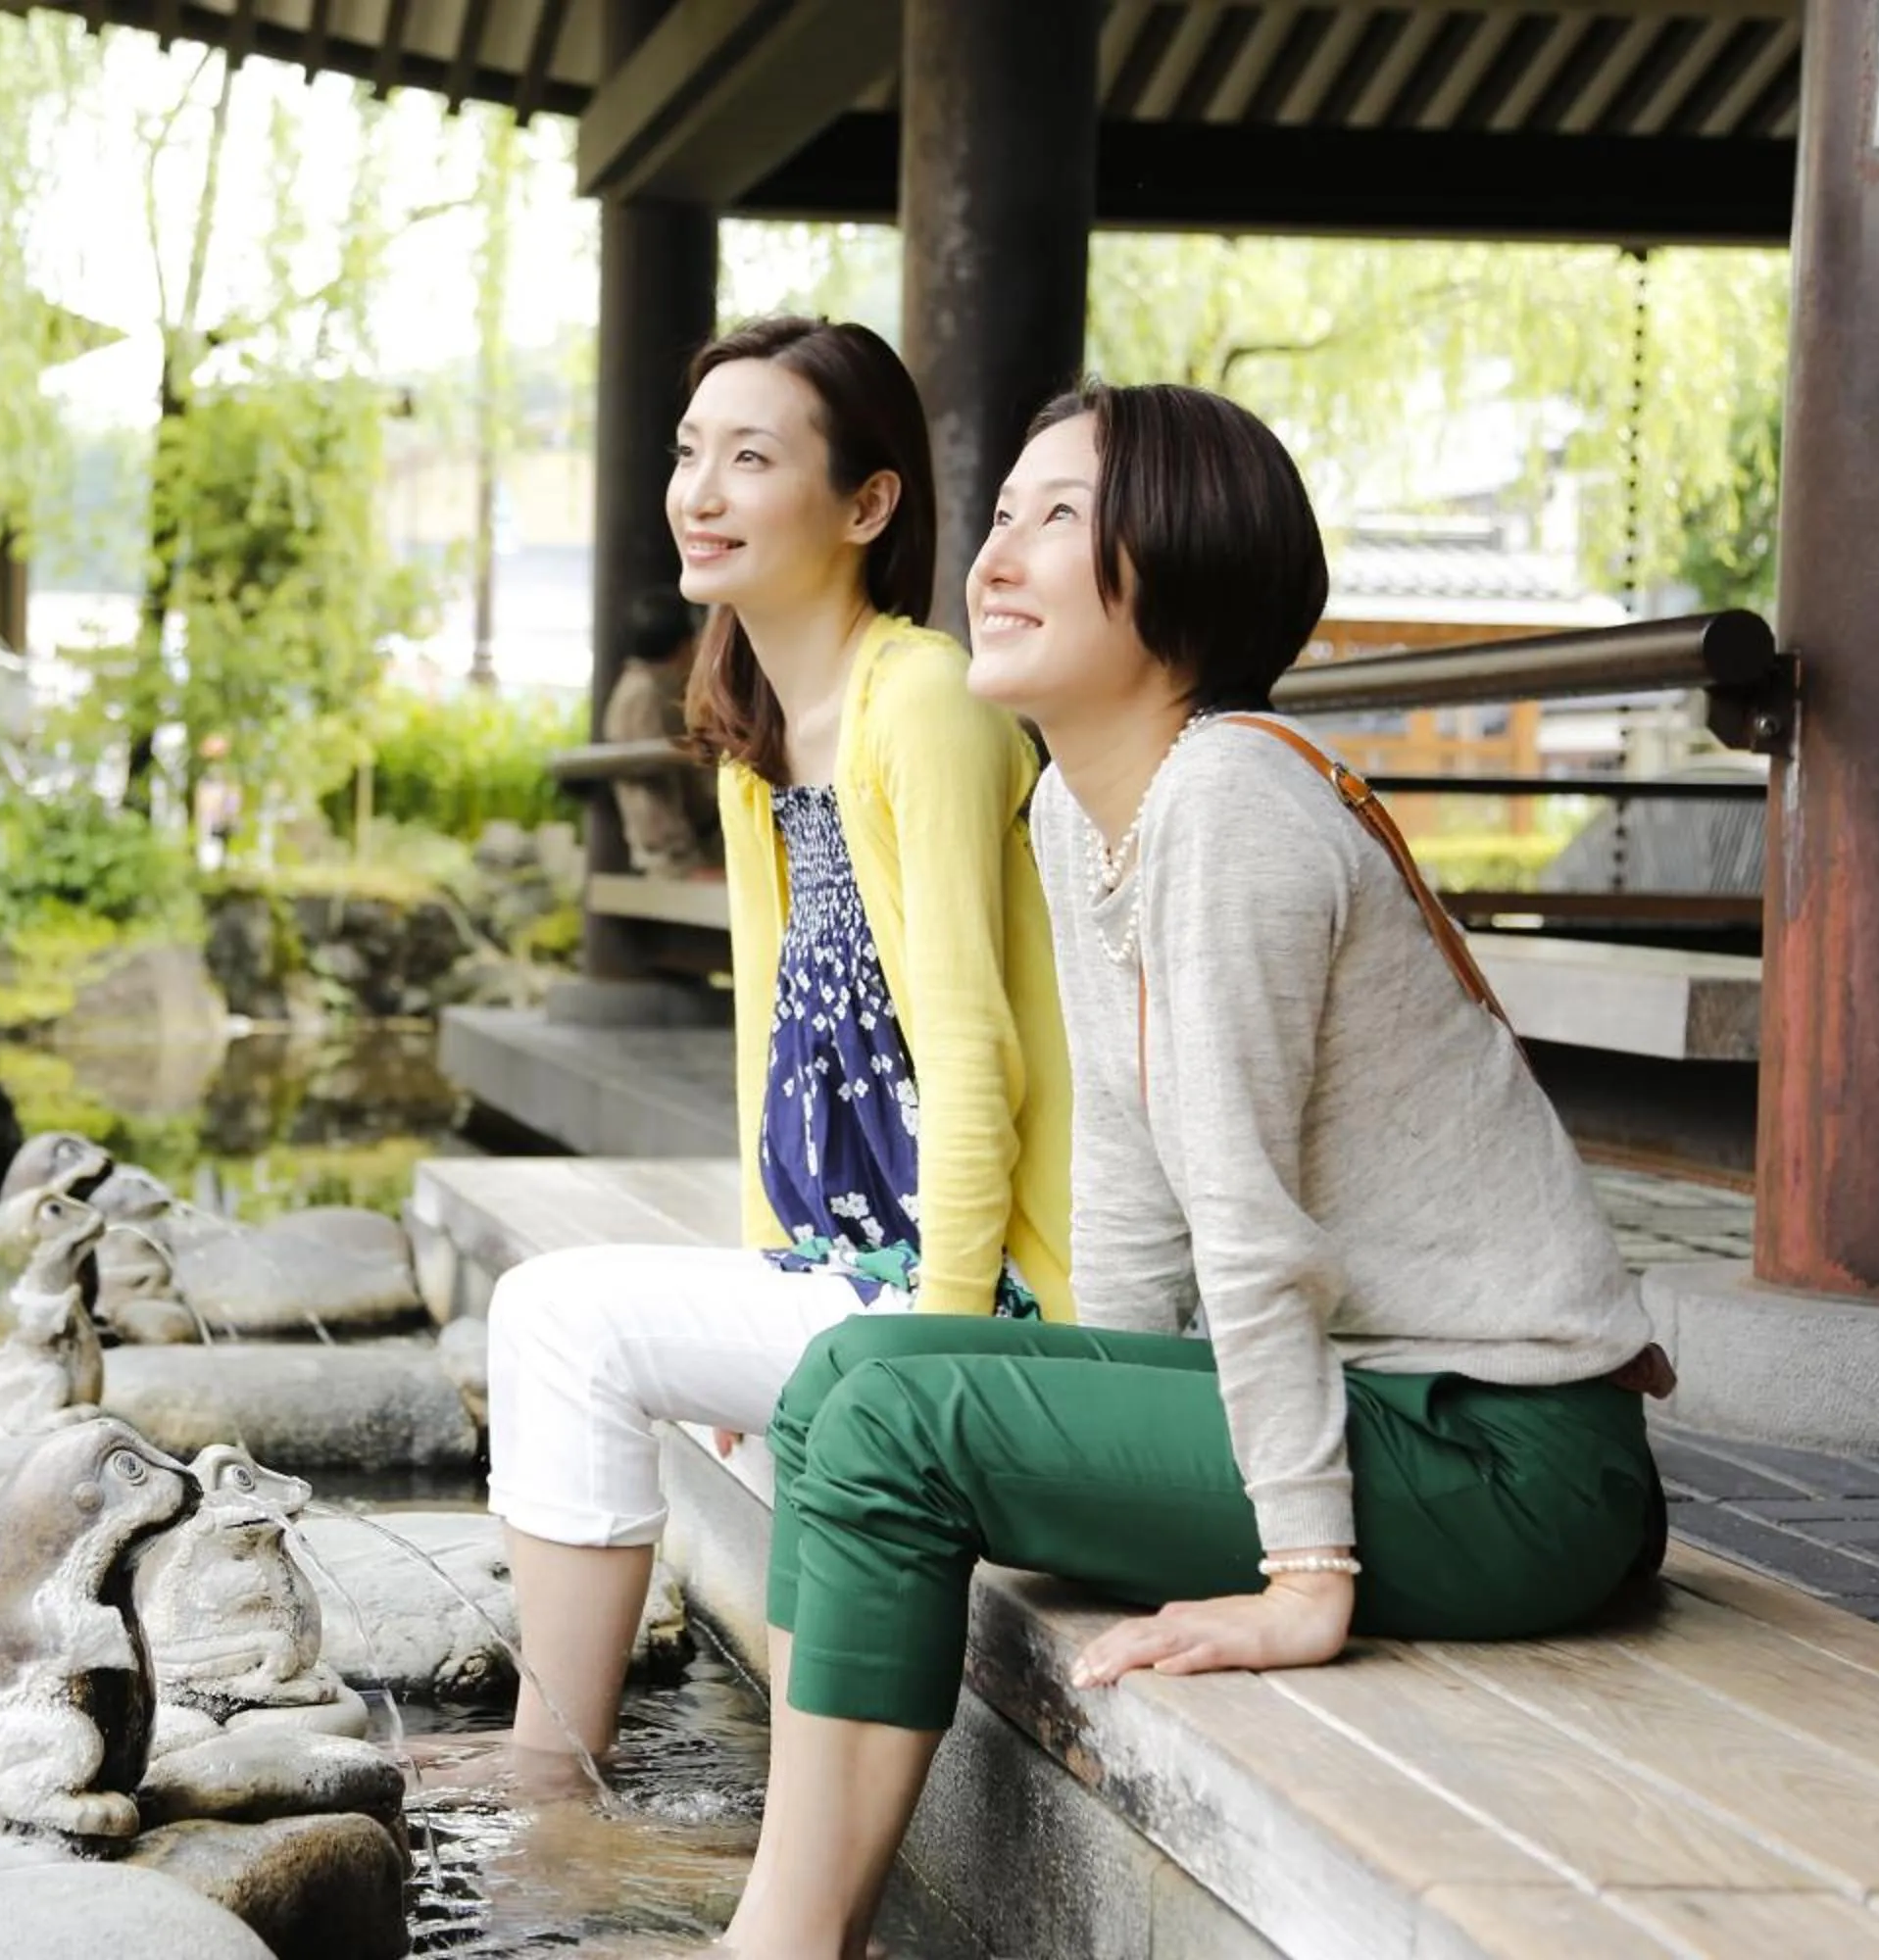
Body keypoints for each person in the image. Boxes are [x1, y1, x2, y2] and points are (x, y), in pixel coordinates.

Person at [712, 381, 1673, 1959]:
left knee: (893, 1415)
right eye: (1003, 515)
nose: (998, 557)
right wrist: (1119, 1431)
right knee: (846, 1380)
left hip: (1509, 1460)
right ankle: (800, 1920)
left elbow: (1247, 1219)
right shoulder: (1084, 818)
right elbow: (1129, 1189)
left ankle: (789, 1945)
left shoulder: (1230, 799)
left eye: (1061, 519)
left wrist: (1302, 1575)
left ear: (1185, 564)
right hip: (1382, 1418)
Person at [474, 316, 1076, 1791]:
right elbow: (775, 1048)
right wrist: (766, 1278)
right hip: (855, 1272)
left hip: (991, 1300)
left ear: (868, 507)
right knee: (565, 1322)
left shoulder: (922, 699)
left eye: (753, 458)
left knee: (559, 1319)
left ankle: (552, 1780)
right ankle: (569, 1773)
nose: (702, 491)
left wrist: (930, 1347)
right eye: (692, 455)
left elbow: (973, 1052)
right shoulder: (763, 731)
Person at [601, 589, 721, 879]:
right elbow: (649, 792)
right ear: (684, 644)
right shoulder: (642, 695)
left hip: (689, 847)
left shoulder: (652, 687)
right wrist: (684, 863)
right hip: (674, 857)